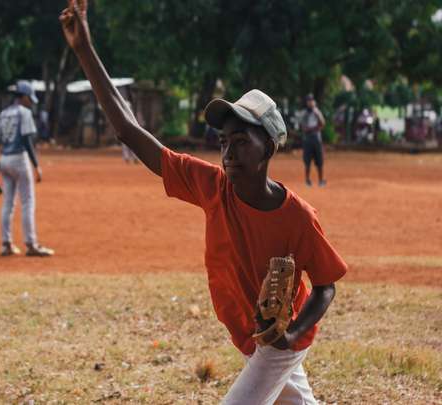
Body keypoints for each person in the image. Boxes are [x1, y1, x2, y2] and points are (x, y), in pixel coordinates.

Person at [60, 2, 347, 404]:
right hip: (251, 333)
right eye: (225, 141)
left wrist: (293, 334)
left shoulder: (297, 217)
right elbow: (128, 131)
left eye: (242, 141)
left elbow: (325, 287)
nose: (228, 151)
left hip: (281, 340)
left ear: (268, 148)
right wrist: (84, 49)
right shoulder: (212, 186)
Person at [0, 80, 54, 257]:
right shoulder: (24, 113)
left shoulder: (4, 114)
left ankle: (6, 244)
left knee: (8, 203)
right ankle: (31, 244)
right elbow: (26, 141)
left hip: (4, 160)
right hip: (19, 159)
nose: (31, 102)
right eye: (29, 98)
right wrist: (37, 165)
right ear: (22, 97)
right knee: (28, 202)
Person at [301, 94, 326, 186]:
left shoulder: (317, 112)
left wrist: (317, 114)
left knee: (320, 161)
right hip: (307, 139)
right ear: (306, 102)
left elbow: (323, 123)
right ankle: (307, 180)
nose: (310, 102)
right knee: (307, 161)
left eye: (312, 100)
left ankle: (321, 180)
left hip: (317, 139)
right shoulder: (304, 113)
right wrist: (315, 128)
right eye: (309, 101)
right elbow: (304, 128)